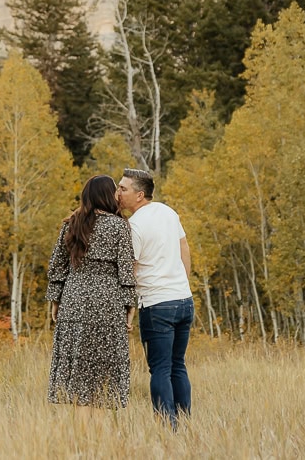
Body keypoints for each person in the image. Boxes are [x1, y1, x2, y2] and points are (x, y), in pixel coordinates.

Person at [46, 174, 136, 411]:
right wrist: (130, 307)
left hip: (74, 299)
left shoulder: (71, 224)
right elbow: (125, 271)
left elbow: (57, 266)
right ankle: (96, 436)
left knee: (78, 368)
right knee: (103, 368)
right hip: (107, 302)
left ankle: (81, 433)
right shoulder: (119, 226)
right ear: (108, 196)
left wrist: (56, 300)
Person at [116, 167, 193, 428]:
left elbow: (131, 269)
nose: (117, 193)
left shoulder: (134, 226)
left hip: (157, 305)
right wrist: (182, 283)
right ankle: (185, 425)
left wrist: (128, 306)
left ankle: (167, 428)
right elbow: (184, 247)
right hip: (184, 300)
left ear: (139, 195)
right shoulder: (168, 212)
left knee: (160, 369)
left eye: (122, 188)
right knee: (177, 365)